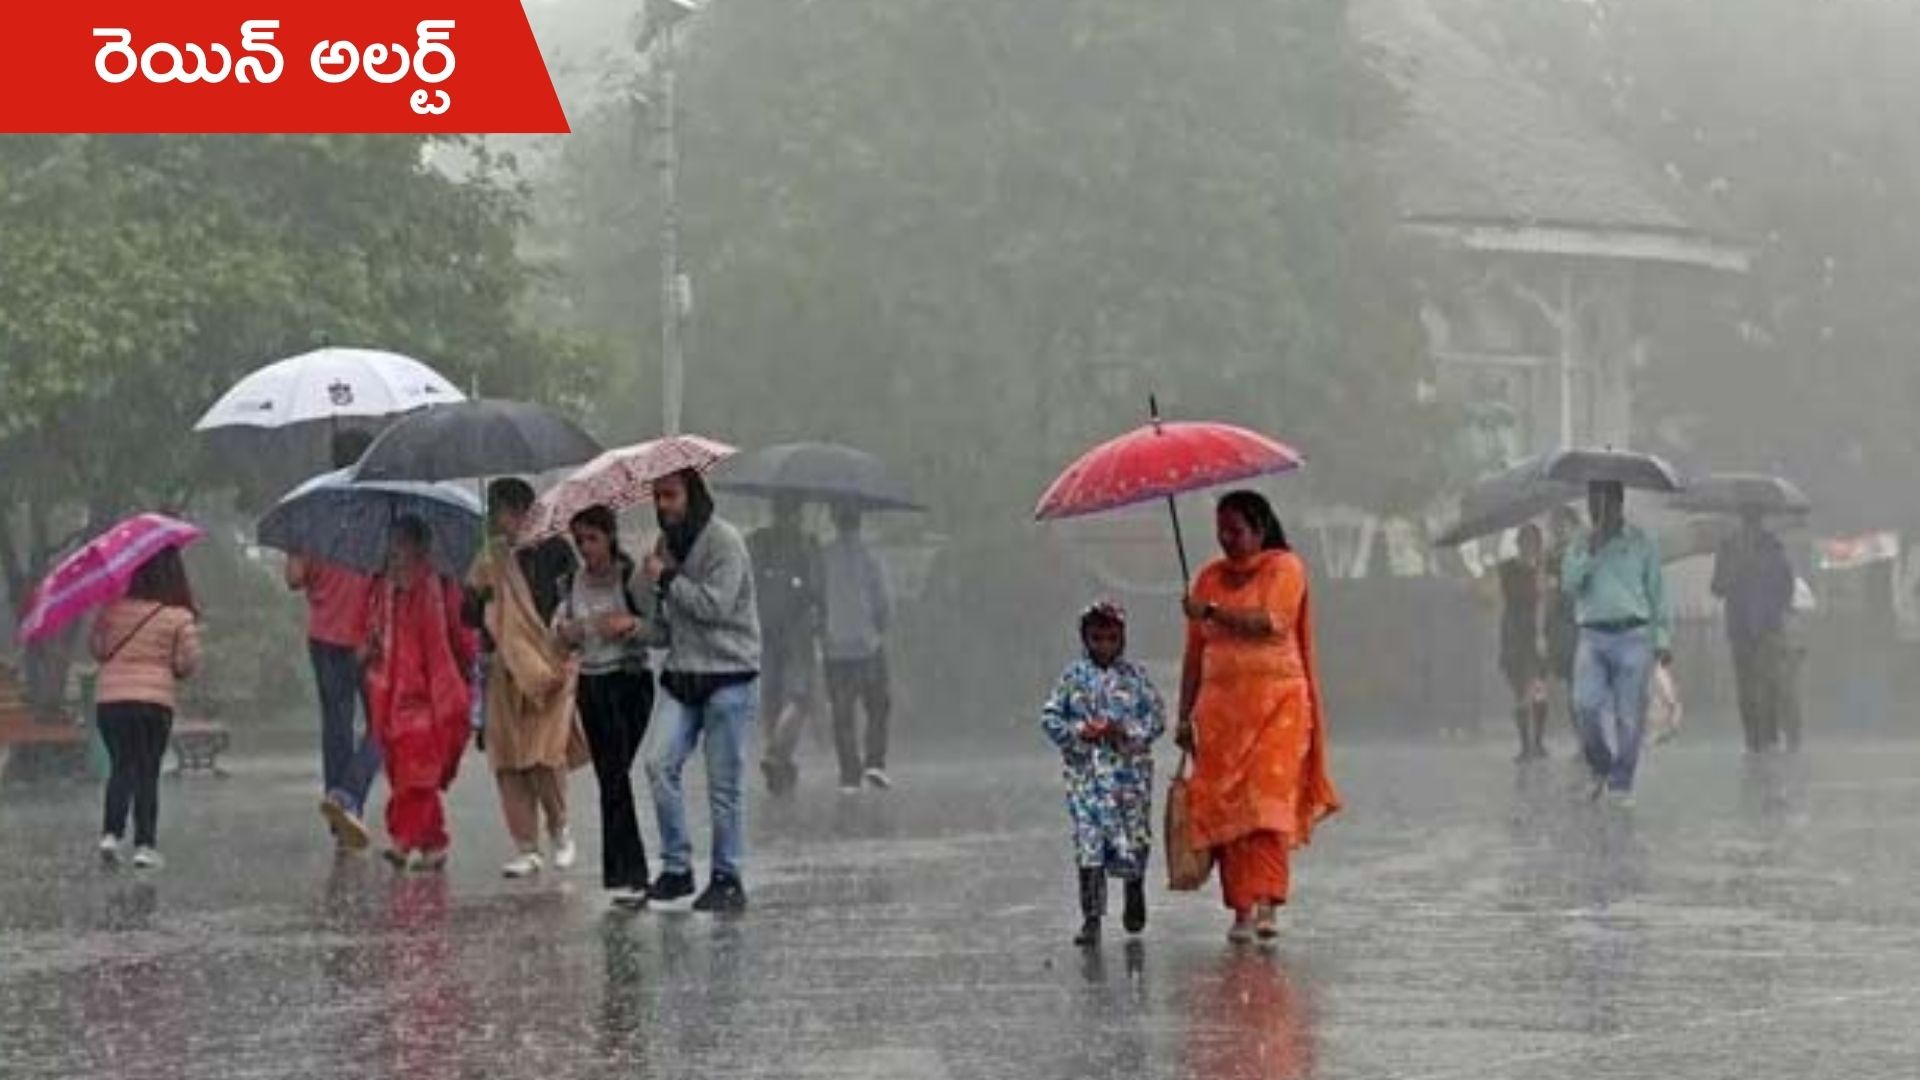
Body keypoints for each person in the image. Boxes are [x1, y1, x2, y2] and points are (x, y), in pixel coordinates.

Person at [1176, 491, 1341, 944]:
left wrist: (1209, 611)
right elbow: (1194, 656)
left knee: (1265, 807)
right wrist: (1183, 715)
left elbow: (1272, 621)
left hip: (1279, 710)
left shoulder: (1285, 568)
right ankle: (1241, 910)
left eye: (1236, 530)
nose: (1227, 540)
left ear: (1260, 527)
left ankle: (1268, 902)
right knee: (1229, 812)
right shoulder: (1207, 578)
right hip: (1220, 719)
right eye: (1221, 531)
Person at [642, 468, 761, 913]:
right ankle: (677, 868)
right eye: (656, 497)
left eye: (670, 495)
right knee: (658, 764)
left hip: (729, 674)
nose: (663, 506)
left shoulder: (724, 542)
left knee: (723, 785)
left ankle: (727, 876)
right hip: (683, 674)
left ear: (691, 494)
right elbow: (662, 625)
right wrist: (631, 623)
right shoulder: (663, 547)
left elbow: (715, 606)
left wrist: (669, 579)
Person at [466, 478, 582, 879]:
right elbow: (470, 619)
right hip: (504, 670)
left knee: (545, 755)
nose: (497, 522)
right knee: (509, 761)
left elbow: (571, 602)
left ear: (518, 511)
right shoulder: (489, 558)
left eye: (499, 513)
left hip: (548, 667)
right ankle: (527, 846)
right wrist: (477, 590)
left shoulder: (557, 550)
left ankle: (561, 829)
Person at [1040, 601, 1166, 947]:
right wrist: (1081, 732)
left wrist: (1125, 731)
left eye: (1111, 638)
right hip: (1087, 779)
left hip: (1130, 779)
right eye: (1097, 638)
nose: (1104, 646)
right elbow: (1050, 718)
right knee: (1089, 843)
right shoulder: (1072, 678)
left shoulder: (1136, 677)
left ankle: (1134, 889)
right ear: (1085, 638)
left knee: (1135, 837)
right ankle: (1091, 917)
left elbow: (1157, 719)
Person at [556, 505, 656, 908]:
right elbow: (559, 630)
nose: (586, 548)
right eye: (579, 541)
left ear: (610, 537)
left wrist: (628, 626)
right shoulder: (570, 583)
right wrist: (566, 632)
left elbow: (655, 627)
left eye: (592, 539)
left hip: (628, 683)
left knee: (617, 775)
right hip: (592, 685)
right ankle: (626, 876)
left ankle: (633, 874)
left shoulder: (631, 577)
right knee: (610, 779)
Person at [362, 517, 476, 871]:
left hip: (431, 698)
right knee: (403, 773)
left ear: (420, 549)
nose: (395, 555)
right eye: (391, 547)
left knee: (418, 775)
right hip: (391, 696)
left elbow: (463, 637)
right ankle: (433, 842)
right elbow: (366, 636)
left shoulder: (441, 587)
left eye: (401, 546)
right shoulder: (381, 590)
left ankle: (403, 839)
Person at [290, 428, 381, 851]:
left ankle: (340, 815)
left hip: (323, 634)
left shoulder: (312, 510)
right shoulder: (380, 509)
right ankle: (350, 797)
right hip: (370, 636)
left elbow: (294, 578)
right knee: (384, 725)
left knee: (336, 726)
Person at [92, 548, 203, 871]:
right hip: (153, 704)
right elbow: (188, 662)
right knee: (146, 770)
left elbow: (98, 650)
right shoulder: (178, 617)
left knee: (121, 765)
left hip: (111, 702)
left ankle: (110, 834)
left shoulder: (111, 610)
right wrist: (171, 666)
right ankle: (144, 844)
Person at [1561, 481, 1671, 804]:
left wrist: (1662, 639)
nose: (1599, 511)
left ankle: (1621, 784)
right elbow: (1569, 584)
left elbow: (1657, 593)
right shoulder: (1581, 542)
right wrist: (1590, 552)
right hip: (1593, 636)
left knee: (1628, 717)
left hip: (1634, 636)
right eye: (1593, 504)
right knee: (1585, 706)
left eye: (1604, 504)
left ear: (1619, 504)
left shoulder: (1641, 543)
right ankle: (1601, 766)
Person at [747, 496, 823, 796]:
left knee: (772, 696)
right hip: (797, 628)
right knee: (800, 696)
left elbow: (748, 583)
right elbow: (816, 588)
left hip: (763, 627)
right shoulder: (806, 544)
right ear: (797, 515)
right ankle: (777, 753)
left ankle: (779, 765)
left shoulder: (758, 541)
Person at [821, 503, 895, 793]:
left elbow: (816, 596)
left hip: (835, 645)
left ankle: (849, 774)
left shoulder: (823, 556)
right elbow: (884, 600)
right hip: (868, 644)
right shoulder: (871, 556)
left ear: (834, 520)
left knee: (842, 712)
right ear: (859, 521)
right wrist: (879, 626)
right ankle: (875, 762)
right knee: (878, 704)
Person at [1710, 510, 1796, 752]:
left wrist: (1778, 606)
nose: (1751, 527)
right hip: (1740, 628)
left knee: (1769, 682)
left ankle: (1769, 735)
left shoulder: (1774, 548)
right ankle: (1753, 739)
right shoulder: (1728, 548)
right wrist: (1734, 569)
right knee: (1746, 686)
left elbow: (1786, 584)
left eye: (1755, 522)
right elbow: (1717, 587)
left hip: (1768, 626)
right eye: (1748, 521)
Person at [1497, 524, 1550, 761]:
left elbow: (1545, 598)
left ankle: (1537, 742)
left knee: (1537, 688)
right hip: (1514, 631)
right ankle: (1526, 744)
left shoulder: (1543, 568)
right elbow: (1506, 592)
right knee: (1520, 689)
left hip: (1536, 631)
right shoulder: (1508, 569)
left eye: (1533, 543)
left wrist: (1541, 573)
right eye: (1524, 542)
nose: (1528, 547)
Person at [1543, 506, 1585, 749]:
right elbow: (1548, 592)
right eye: (1554, 525)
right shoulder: (1551, 558)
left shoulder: (1584, 553)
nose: (1558, 530)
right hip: (1563, 625)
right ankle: (1582, 735)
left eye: (1563, 525)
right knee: (1573, 683)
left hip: (1584, 622)